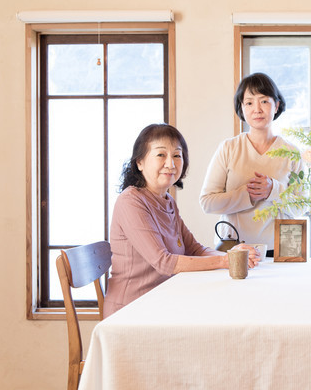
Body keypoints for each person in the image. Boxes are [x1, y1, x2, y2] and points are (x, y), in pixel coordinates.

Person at [104, 123, 259, 318]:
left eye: (177, 155)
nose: (170, 164)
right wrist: (224, 261)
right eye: (161, 155)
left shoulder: (167, 201)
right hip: (132, 309)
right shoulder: (131, 201)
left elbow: (195, 249)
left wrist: (232, 255)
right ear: (139, 163)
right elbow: (164, 263)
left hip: (163, 300)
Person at [199, 73, 304, 256]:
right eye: (249, 102)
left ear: (276, 105)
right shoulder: (228, 148)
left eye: (264, 101)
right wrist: (247, 195)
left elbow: (302, 205)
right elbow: (207, 203)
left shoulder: (292, 152)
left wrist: (273, 190)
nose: (257, 109)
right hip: (234, 246)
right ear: (241, 107)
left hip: (283, 248)